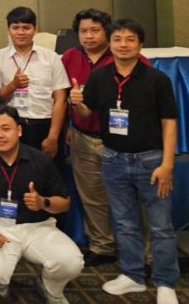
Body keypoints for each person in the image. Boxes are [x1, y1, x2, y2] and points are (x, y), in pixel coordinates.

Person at [73, 19, 180, 303]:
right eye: (117, 39)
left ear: (140, 44)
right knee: (124, 222)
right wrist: (77, 101)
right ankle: (133, 276)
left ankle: (166, 282)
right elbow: (86, 113)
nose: (123, 45)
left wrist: (167, 164)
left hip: (151, 161)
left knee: (160, 226)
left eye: (130, 39)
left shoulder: (157, 79)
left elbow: (169, 123)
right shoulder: (99, 77)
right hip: (113, 159)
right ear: (110, 43)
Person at [0, 105, 82, 302]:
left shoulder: (40, 160)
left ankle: (49, 287)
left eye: (6, 129)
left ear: (19, 130)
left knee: (71, 263)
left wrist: (43, 202)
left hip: (38, 227)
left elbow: (64, 203)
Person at [60, 9, 118, 266]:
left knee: (129, 198)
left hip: (119, 140)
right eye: (83, 31)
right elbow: (60, 96)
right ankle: (102, 246)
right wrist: (67, 127)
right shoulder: (70, 57)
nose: (89, 36)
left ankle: (144, 254)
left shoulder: (121, 55)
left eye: (95, 30)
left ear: (106, 31)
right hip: (82, 137)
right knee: (92, 196)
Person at [0, 7, 69, 165]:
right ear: (8, 29)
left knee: (48, 173)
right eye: (16, 28)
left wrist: (53, 136)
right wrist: (13, 85)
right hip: (11, 125)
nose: (21, 32)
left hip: (45, 125)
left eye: (26, 28)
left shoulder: (51, 57)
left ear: (35, 29)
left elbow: (60, 99)